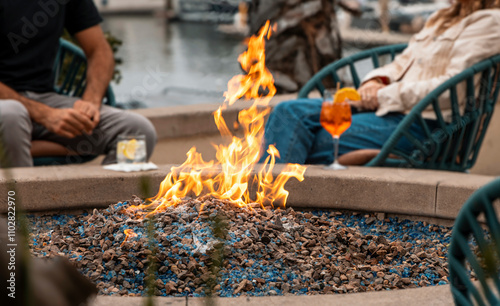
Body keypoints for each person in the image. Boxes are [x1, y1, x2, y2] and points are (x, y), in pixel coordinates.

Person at [260, 1, 500, 165]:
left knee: (311, 138)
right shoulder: (443, 18)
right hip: (395, 114)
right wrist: (376, 81)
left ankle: (267, 213)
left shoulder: (490, 22)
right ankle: (267, 208)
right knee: (287, 111)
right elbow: (401, 63)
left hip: (427, 128)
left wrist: (383, 96)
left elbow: (453, 89)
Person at [0, 0, 157, 167]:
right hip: (7, 108)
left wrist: (91, 101)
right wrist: (45, 115)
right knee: (11, 115)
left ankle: (108, 194)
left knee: (138, 131)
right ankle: (16, 194)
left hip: (46, 100)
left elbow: (99, 50)